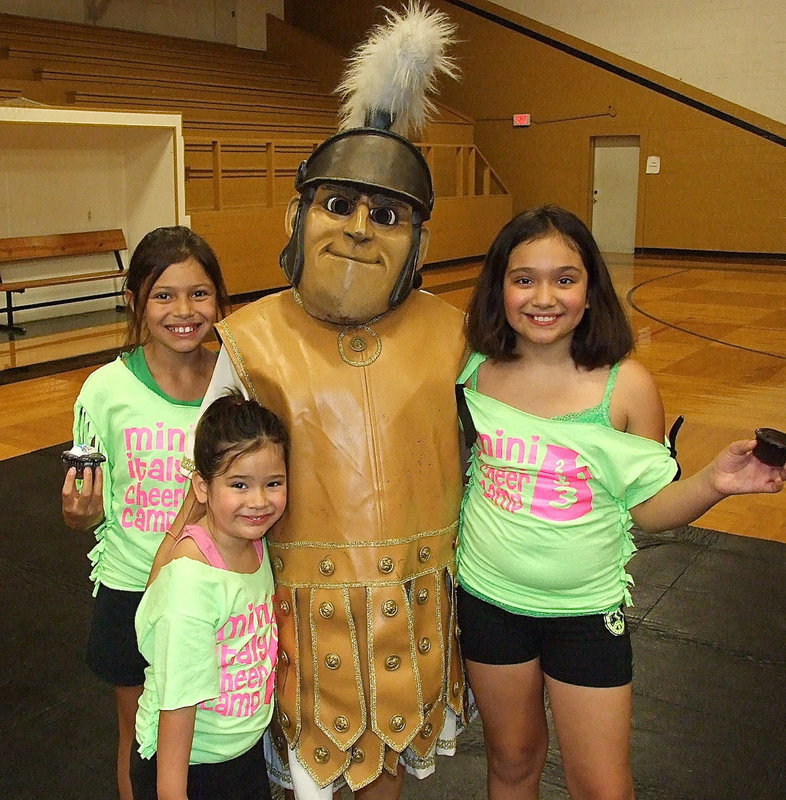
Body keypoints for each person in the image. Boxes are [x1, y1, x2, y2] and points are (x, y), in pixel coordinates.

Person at [150, 5, 469, 798]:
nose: (361, 227)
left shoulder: (456, 334)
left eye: (388, 215)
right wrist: (167, 592)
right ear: (299, 215)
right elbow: (210, 469)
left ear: (417, 245)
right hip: (293, 623)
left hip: (417, 612)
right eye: (340, 205)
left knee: (389, 778)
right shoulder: (249, 340)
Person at [455, 205, 785, 800]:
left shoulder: (625, 386)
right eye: (523, 278)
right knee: (511, 760)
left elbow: (648, 509)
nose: (543, 297)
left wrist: (715, 481)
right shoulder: (473, 371)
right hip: (488, 602)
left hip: (584, 614)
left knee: (602, 785)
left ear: (590, 290)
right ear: (499, 287)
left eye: (565, 278)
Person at [61, 225, 230, 800]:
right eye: (163, 295)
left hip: (222, 591)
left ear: (219, 301)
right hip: (133, 589)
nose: (183, 311)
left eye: (199, 294)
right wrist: (78, 516)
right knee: (140, 740)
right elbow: (86, 511)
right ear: (135, 301)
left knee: (226, 734)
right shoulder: (105, 391)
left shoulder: (237, 382)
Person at [130, 392, 287, 800]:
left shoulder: (254, 544)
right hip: (188, 769)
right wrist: (172, 793)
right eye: (239, 485)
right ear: (202, 486)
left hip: (237, 756)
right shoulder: (193, 587)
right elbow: (177, 705)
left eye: (273, 483)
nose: (259, 501)